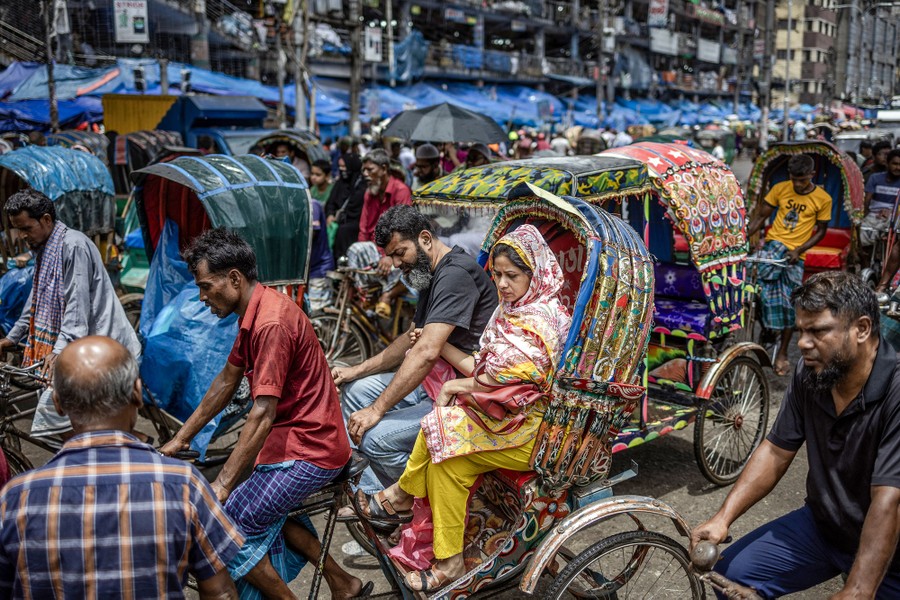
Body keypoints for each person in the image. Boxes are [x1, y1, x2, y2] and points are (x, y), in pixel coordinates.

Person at [354, 224, 571, 592]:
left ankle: (401, 496)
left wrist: (452, 382)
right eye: (498, 275)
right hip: (500, 419)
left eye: (512, 276)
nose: (502, 284)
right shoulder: (511, 312)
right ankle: (450, 558)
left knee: (437, 424)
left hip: (530, 431)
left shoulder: (542, 320)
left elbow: (499, 378)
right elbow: (485, 369)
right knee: (443, 460)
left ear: (535, 275)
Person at [158, 229, 364, 599]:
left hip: (311, 450)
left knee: (225, 525)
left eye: (206, 287)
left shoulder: (270, 322)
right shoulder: (255, 310)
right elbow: (226, 380)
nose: (203, 297)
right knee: (254, 509)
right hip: (292, 443)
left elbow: (262, 412)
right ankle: (343, 582)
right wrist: (180, 438)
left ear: (234, 278)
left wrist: (222, 483)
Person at [692, 271, 900, 599]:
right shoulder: (811, 372)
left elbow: (889, 499)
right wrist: (723, 518)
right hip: (824, 527)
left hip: (892, 550)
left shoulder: (896, 388)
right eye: (802, 330)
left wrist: (859, 588)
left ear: (861, 329)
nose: (802, 342)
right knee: (729, 576)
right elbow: (776, 449)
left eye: (817, 331)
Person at [0, 336, 243, 598]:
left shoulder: (16, 499)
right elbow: (221, 593)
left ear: (57, 403)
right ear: (137, 392)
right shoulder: (184, 485)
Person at [333, 206, 498, 489]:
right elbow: (411, 338)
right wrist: (355, 371)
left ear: (424, 238)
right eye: (391, 257)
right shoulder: (430, 273)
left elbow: (425, 351)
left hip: (462, 395)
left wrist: (377, 409)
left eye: (400, 253)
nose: (396, 263)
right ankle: (370, 489)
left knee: (375, 437)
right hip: (435, 382)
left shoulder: (454, 274)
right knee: (355, 391)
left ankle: (407, 499)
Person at [0, 189, 141, 439]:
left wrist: (57, 353)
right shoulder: (45, 249)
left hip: (105, 348)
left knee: (60, 415)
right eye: (17, 230)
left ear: (45, 220)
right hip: (84, 345)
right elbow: (36, 300)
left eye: (26, 228)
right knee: (80, 423)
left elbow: (76, 308)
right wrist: (13, 336)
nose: (22, 236)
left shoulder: (72, 245)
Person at [747, 154, 831, 377]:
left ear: (811, 175)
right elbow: (760, 217)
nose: (797, 184)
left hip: (796, 255)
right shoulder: (780, 188)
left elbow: (821, 231)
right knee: (755, 292)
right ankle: (766, 330)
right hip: (774, 246)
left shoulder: (823, 198)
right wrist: (743, 239)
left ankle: (783, 352)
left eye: (802, 180)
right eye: (794, 179)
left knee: (789, 303)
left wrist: (799, 250)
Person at [866, 149, 900, 302]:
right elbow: (867, 201)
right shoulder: (875, 178)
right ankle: (881, 283)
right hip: (876, 217)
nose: (897, 168)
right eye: (894, 164)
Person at [325, 153, 366, 259]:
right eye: (340, 166)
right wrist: (330, 214)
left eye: (344, 166)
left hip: (353, 222)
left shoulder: (361, 186)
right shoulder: (340, 183)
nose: (341, 169)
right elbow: (331, 202)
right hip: (337, 220)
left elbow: (357, 209)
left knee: (344, 231)